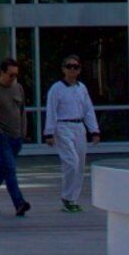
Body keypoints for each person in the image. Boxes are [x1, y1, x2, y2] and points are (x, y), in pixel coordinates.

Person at [43, 56, 99, 212]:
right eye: (69, 66)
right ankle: (67, 196)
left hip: (78, 126)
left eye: (76, 67)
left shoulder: (82, 88)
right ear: (63, 69)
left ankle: (73, 199)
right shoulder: (57, 88)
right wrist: (49, 132)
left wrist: (94, 130)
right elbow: (51, 111)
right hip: (63, 126)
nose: (72, 70)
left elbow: (88, 110)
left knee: (80, 164)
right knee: (71, 162)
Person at [0, 58, 33, 218]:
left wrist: (23, 131)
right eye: (10, 75)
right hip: (1, 138)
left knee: (1, 171)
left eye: (16, 75)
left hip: (16, 137)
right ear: (2, 72)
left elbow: (22, 111)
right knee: (10, 169)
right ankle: (19, 203)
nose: (13, 78)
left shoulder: (18, 88)